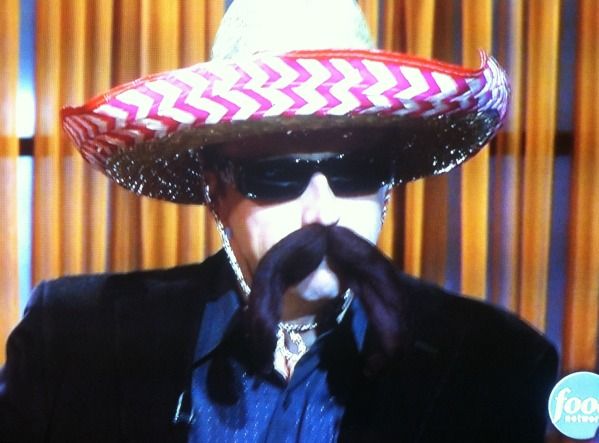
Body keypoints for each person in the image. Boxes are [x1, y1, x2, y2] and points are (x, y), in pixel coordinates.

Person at [0, 0, 557, 442]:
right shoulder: (75, 343)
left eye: (356, 171)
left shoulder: (491, 365)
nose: (324, 211)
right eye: (280, 176)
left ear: (387, 183)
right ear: (215, 187)